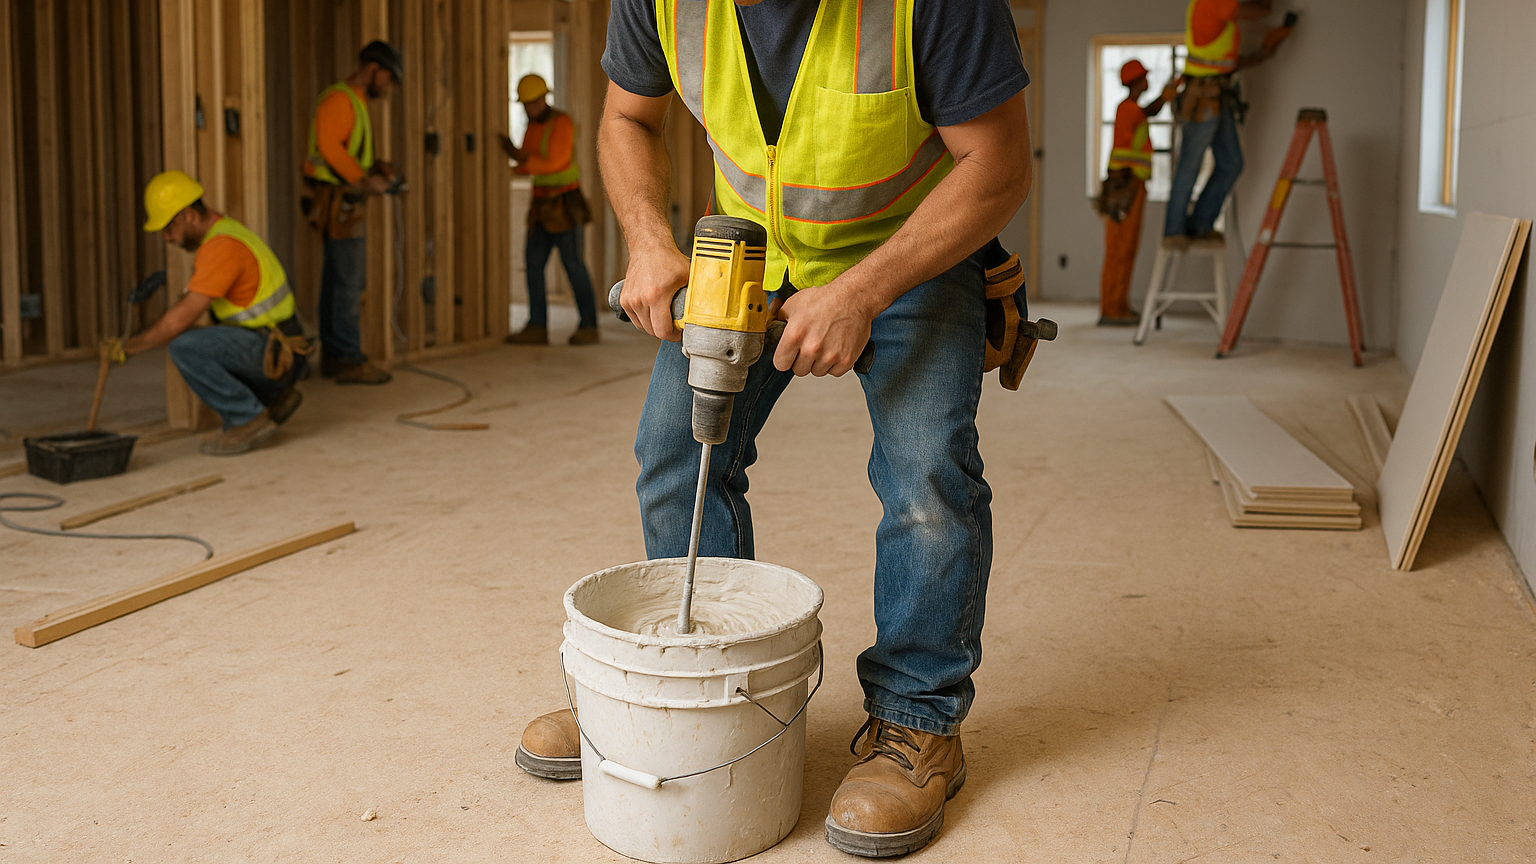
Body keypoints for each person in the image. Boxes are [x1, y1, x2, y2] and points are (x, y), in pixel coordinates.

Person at [516, 0, 1033, 857]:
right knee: (677, 454)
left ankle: (917, 724)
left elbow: (999, 166)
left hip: (911, 251)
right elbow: (626, 117)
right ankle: (700, 692)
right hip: (750, 250)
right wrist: (648, 240)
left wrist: (861, 292)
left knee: (927, 479)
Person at [106, 171, 308, 456]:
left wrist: (129, 347)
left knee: (185, 347)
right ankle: (275, 398)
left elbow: (181, 318)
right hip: (279, 348)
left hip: (275, 352)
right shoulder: (226, 233)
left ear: (189, 215)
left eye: (168, 228)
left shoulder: (221, 247)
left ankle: (247, 418)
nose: (167, 238)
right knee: (198, 339)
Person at [303, 39, 402, 384]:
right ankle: (346, 357)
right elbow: (330, 149)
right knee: (348, 281)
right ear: (372, 69)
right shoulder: (339, 99)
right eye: (387, 77)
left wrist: (375, 167)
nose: (387, 86)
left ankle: (335, 355)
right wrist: (364, 180)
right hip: (339, 202)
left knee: (337, 279)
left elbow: (348, 151)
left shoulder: (355, 101)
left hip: (342, 199)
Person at [1163, 0, 1293, 247]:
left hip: (1217, 96)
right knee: (1190, 166)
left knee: (1232, 163)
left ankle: (1201, 225)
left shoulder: (1218, 12)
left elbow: (1226, 62)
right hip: (1202, 97)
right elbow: (1259, 12)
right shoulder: (1211, 2)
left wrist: (1263, 54)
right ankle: (1174, 230)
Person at [501, 74, 601, 346]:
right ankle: (537, 326)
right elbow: (529, 161)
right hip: (541, 206)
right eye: (525, 104)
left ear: (543, 99)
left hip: (564, 204)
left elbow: (554, 162)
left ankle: (589, 326)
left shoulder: (562, 123)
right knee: (533, 264)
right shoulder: (533, 127)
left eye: (532, 102)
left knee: (574, 265)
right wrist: (515, 163)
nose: (528, 108)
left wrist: (520, 159)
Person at [1098, 60, 1177, 326]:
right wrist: (1165, 97)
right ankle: (1112, 308)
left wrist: (1165, 96)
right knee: (1120, 249)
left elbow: (1148, 112)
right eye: (1144, 77)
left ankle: (1118, 305)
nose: (1147, 81)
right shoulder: (1128, 108)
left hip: (1130, 186)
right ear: (1135, 81)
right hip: (1127, 187)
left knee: (1126, 248)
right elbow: (1149, 111)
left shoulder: (1130, 109)